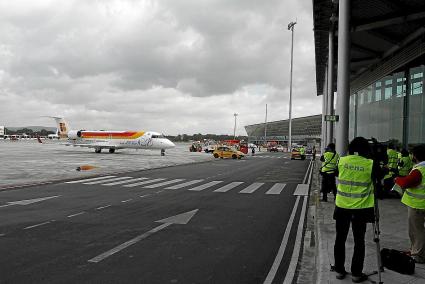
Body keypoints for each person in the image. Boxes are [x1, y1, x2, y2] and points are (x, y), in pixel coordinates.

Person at [333, 137, 380, 283]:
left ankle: (339, 270)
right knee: (359, 241)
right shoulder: (371, 164)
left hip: (342, 207)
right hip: (361, 209)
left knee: (340, 239)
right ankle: (356, 274)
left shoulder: (342, 161)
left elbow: (336, 173)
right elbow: (379, 177)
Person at [394, 144, 425, 264]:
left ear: (416, 156)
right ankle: (415, 250)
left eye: (413, 153)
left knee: (416, 231)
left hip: (417, 205)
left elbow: (406, 183)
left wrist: (397, 180)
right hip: (421, 204)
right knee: (419, 230)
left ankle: (418, 254)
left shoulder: (419, 170)